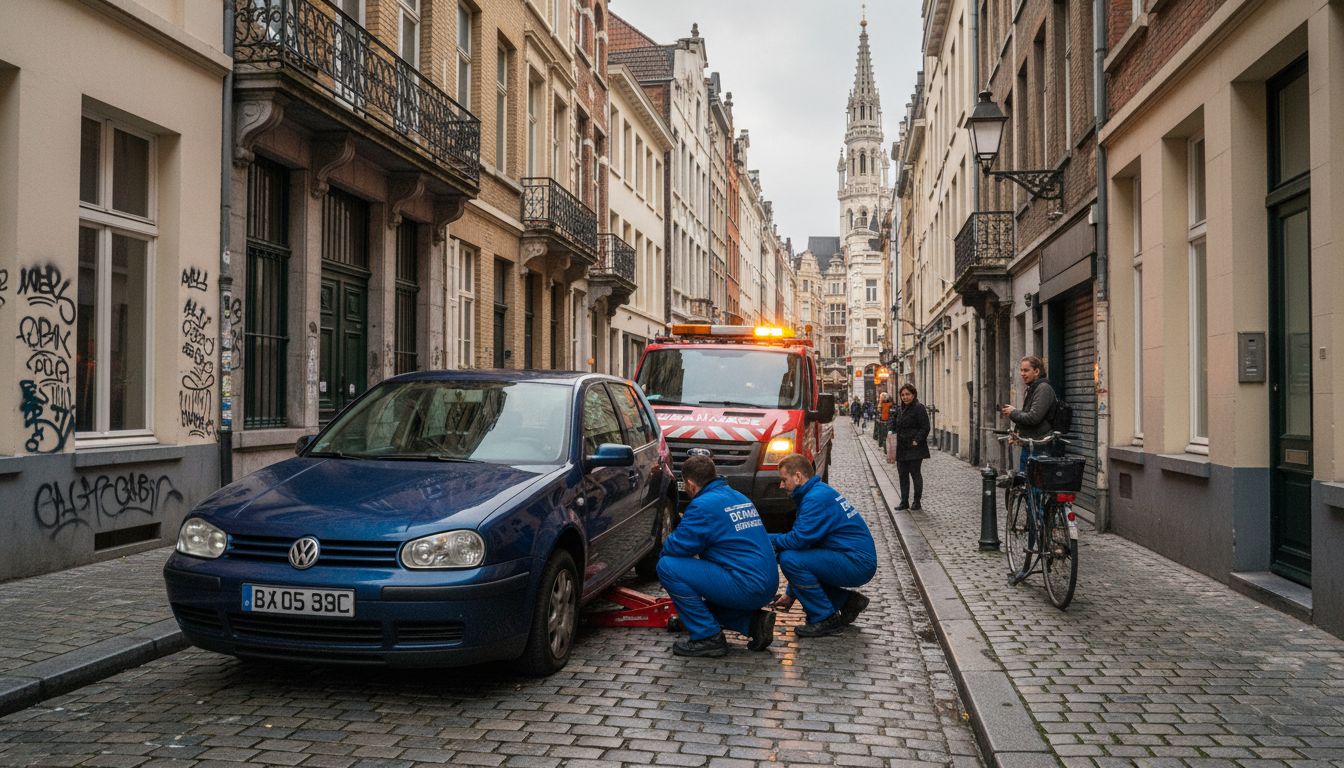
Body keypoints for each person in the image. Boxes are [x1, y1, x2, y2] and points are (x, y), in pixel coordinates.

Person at [657, 455, 779, 657]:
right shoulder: (738, 497)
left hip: (746, 585)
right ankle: (753, 624)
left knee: (667, 566)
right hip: (766, 582)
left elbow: (675, 548)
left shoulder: (702, 505)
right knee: (700, 606)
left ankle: (707, 637)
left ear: (690, 484)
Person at [771, 454, 877, 638]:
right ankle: (848, 602)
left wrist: (766, 539)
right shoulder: (818, 492)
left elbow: (798, 541)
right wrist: (790, 593)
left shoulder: (815, 499)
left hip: (856, 562)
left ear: (797, 477)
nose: (781, 485)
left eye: (783, 480)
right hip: (851, 558)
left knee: (789, 558)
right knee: (799, 561)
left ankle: (824, 618)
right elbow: (807, 548)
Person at [999, 356, 1058, 579]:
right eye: (1021, 370)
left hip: (1039, 450)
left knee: (1034, 500)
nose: (1022, 374)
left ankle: (1037, 549)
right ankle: (1037, 547)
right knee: (1032, 500)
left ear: (1037, 370)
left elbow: (1034, 417)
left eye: (1026, 370)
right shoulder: (1033, 389)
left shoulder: (1042, 389)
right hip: (1030, 446)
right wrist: (1019, 436)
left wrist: (1013, 412)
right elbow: (1031, 423)